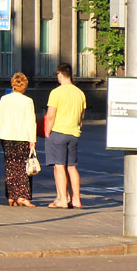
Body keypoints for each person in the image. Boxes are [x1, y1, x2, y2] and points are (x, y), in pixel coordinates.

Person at [44, 62, 86, 209]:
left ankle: (62, 199)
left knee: (59, 166)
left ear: (60, 74)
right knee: (72, 167)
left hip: (58, 132)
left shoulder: (56, 92)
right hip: (74, 133)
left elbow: (50, 115)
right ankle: (76, 199)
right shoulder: (80, 93)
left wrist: (47, 132)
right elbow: (82, 116)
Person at [0, 73, 38, 207]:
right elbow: (31, 121)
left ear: (13, 84)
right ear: (25, 86)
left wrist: (2, 132)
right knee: (23, 166)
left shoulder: (4, 99)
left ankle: (11, 196)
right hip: (22, 137)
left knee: (10, 166)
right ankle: (23, 196)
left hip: (7, 135)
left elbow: (0, 120)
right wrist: (33, 139)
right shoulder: (28, 101)